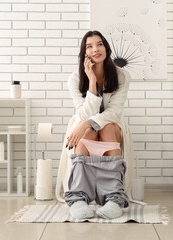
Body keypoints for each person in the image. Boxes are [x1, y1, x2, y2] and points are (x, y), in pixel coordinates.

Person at [55, 30, 134, 220]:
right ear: (84, 53)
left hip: (110, 125)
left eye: (99, 44)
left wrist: (86, 124)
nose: (95, 49)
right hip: (83, 125)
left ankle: (114, 198)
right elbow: (83, 113)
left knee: (105, 127)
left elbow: (114, 112)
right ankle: (78, 199)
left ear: (106, 48)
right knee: (88, 132)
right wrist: (91, 81)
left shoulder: (121, 76)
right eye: (89, 46)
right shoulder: (75, 78)